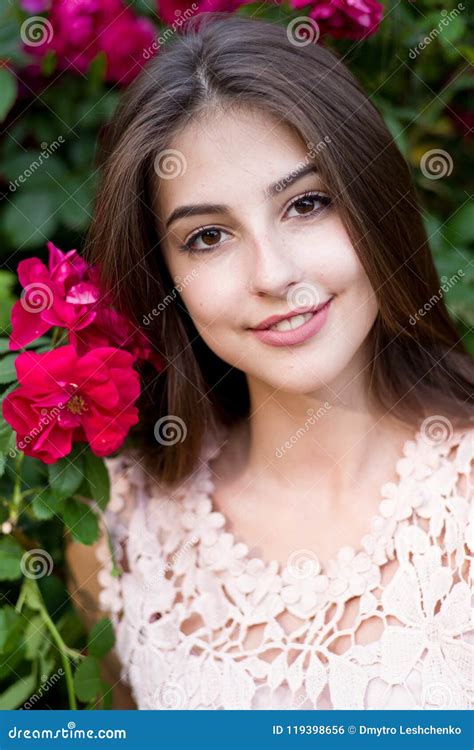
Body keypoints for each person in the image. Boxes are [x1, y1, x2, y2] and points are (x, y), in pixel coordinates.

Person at [66, 12, 474, 710]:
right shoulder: (117, 524)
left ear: (373, 203)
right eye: (207, 237)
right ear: (162, 274)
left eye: (306, 204)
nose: (274, 273)